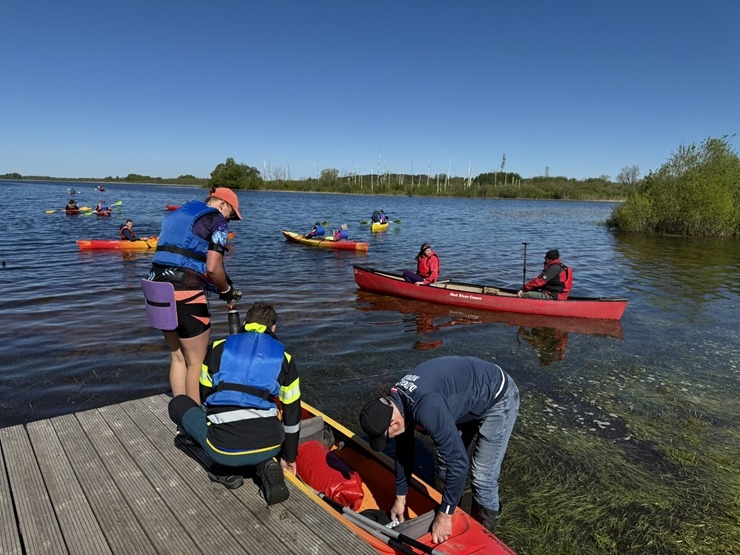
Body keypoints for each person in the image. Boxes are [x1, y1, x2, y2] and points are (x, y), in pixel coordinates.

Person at [359, 356, 519, 542]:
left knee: (482, 477)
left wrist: (444, 516)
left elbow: (459, 463)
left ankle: (484, 535)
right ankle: (454, 512)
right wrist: (400, 498)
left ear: (394, 422)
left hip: (497, 397)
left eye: (386, 436)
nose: (388, 440)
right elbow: (404, 452)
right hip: (463, 398)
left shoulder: (426, 408)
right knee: (443, 464)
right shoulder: (395, 403)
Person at [167, 302, 300, 505]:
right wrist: (288, 457)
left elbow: (205, 395)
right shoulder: (285, 358)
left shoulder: (219, 348)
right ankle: (262, 464)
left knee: (178, 404)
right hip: (272, 445)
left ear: (245, 323)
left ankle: (226, 471)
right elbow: (292, 415)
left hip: (224, 450)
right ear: (274, 328)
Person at [144, 186, 242, 405]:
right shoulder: (218, 220)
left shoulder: (178, 213)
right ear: (223, 204)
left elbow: (182, 255)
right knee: (196, 361)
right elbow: (213, 267)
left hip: (156, 287)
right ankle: (194, 419)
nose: (230, 220)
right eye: (232, 214)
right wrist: (226, 291)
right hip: (184, 289)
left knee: (177, 357)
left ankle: (180, 414)